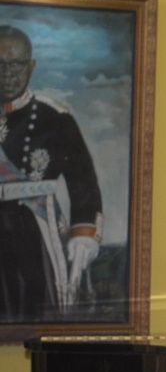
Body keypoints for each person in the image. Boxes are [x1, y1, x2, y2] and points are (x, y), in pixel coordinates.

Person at [0, 24, 102, 322]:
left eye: (16, 63)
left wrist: (83, 233)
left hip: (34, 230)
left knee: (37, 315)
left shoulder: (55, 117)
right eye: (0, 64)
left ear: (31, 67)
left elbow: (83, 181)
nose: (7, 73)